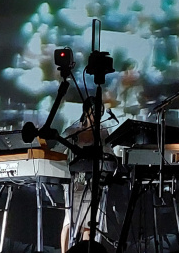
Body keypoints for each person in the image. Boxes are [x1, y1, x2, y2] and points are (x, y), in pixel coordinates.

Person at [59, 97, 115, 253]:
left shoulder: (103, 132)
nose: (97, 114)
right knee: (70, 222)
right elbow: (59, 151)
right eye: (94, 111)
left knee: (89, 224)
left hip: (94, 182)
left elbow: (109, 154)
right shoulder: (73, 130)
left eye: (100, 111)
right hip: (75, 182)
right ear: (86, 110)